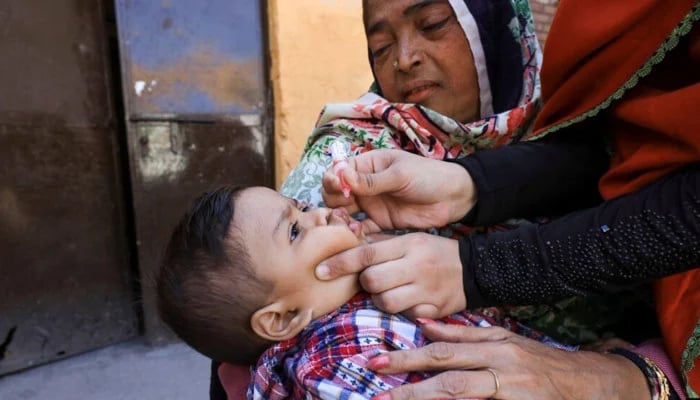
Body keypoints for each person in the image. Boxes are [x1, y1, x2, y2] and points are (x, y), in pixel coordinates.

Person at [319, 0, 700, 398]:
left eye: (432, 24)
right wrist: (469, 185)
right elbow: (622, 143)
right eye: (380, 48)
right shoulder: (359, 156)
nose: (405, 59)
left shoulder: (538, 114)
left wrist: (476, 267)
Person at [157, 185, 577, 399]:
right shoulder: (330, 361)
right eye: (296, 229)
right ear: (283, 318)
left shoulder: (370, 290)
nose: (322, 214)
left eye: (301, 207)